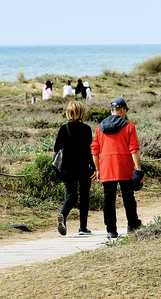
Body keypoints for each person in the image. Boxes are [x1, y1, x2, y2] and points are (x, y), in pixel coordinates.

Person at [90, 98, 143, 238]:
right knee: (128, 198)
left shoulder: (99, 127)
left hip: (106, 167)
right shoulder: (129, 126)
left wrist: (97, 169)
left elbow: (94, 151)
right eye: (125, 110)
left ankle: (111, 230)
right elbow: (134, 149)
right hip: (124, 166)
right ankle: (132, 224)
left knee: (108, 199)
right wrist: (138, 169)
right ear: (122, 109)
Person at [54, 101, 95, 236]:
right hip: (83, 168)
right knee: (84, 198)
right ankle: (83, 228)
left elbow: (56, 149)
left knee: (71, 195)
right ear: (82, 113)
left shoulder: (63, 128)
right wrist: (94, 168)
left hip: (67, 168)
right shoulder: (86, 129)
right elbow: (90, 151)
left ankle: (63, 215)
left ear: (68, 113)